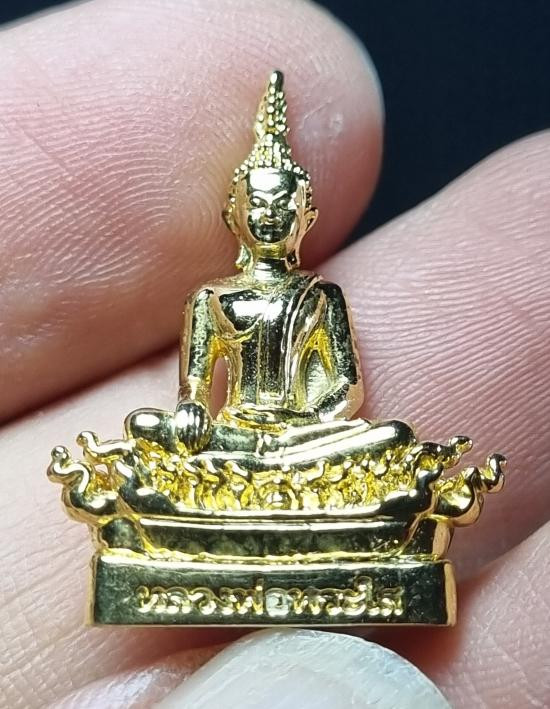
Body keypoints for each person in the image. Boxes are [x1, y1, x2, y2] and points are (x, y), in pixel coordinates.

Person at [1, 0, 549, 707]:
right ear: (234, 213)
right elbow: (194, 393)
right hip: (232, 440)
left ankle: (226, 519)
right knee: (148, 432)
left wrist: (303, 423)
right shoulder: (213, 300)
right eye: (257, 206)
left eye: (281, 207)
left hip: (299, 440)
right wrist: (194, 416)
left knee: (384, 436)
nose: (268, 216)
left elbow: (344, 392)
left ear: (303, 215)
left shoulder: (320, 299)